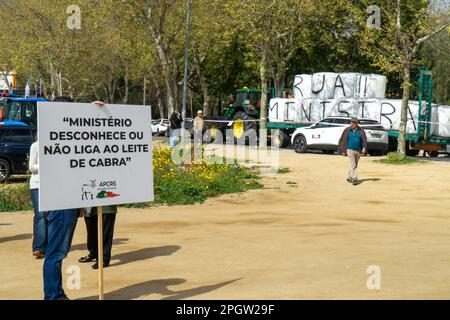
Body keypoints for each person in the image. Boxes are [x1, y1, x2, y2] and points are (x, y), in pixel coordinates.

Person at [41, 96, 80, 300]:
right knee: (56, 254)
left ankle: (56, 294)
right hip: (61, 202)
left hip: (65, 201)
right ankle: (54, 296)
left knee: (56, 253)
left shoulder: (55, 135)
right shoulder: (56, 137)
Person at [29, 135, 47, 259]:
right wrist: (45, 165)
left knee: (49, 215)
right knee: (40, 214)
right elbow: (31, 167)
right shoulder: (35, 145)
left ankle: (47, 245)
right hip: (37, 184)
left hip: (50, 185)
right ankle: (38, 247)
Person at [338, 117, 367, 186]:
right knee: (353, 164)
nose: (352, 124)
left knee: (354, 165)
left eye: (354, 122)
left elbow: (364, 140)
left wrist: (364, 147)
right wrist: (341, 150)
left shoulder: (361, 131)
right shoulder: (347, 130)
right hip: (349, 149)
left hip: (358, 150)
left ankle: (349, 177)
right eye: (351, 122)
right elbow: (342, 139)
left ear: (357, 123)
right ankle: (354, 179)